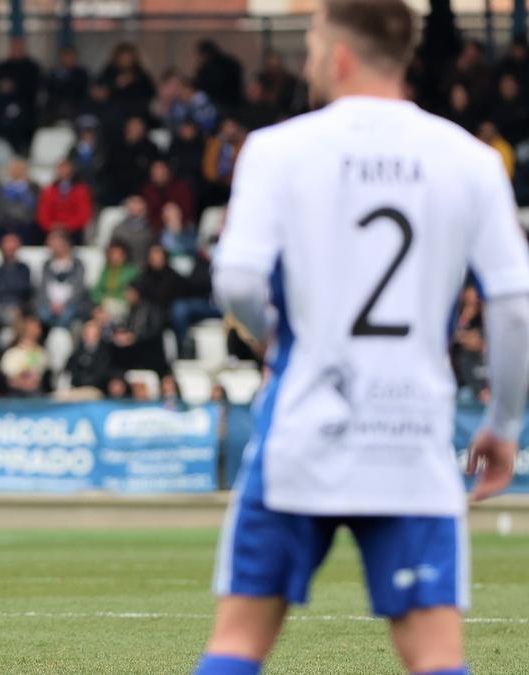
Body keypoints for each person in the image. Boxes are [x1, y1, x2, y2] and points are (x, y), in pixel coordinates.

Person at [196, 2, 529, 674]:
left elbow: (234, 281)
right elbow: (515, 303)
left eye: (315, 46)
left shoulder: (278, 149)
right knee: (435, 655)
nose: (312, 61)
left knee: (237, 642)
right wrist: (503, 422)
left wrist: (277, 342)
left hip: (302, 432)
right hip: (410, 437)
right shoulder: (468, 159)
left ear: (340, 56)